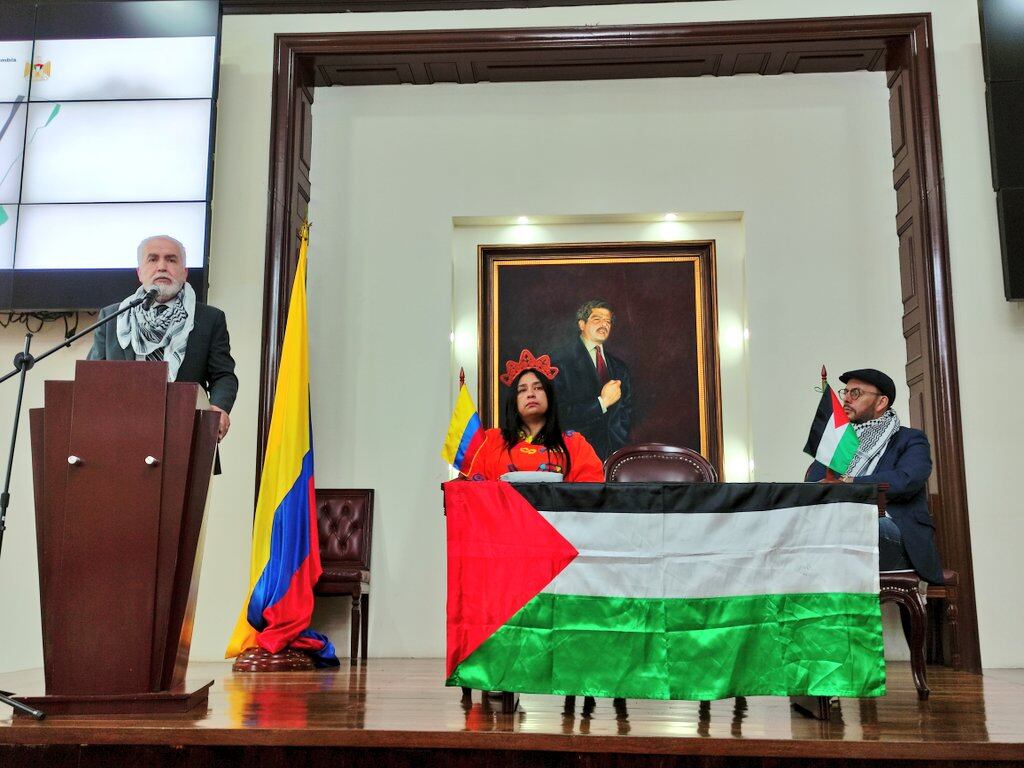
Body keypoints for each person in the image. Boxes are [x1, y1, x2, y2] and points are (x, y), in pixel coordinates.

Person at [88, 234, 238, 441]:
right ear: (140, 273)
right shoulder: (113, 317)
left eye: (171, 259)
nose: (162, 266)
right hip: (119, 436)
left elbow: (223, 375)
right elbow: (93, 376)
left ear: (184, 273)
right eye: (153, 259)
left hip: (185, 435)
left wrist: (219, 408)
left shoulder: (209, 319)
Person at [806, 368, 943, 584]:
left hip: (894, 531)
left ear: (881, 402)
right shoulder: (839, 443)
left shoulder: (910, 439)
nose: (847, 399)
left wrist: (851, 483)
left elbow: (907, 479)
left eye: (856, 393)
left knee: (856, 527)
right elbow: (814, 485)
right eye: (846, 392)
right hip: (838, 526)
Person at [464, 349, 604, 482]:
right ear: (514, 401)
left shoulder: (574, 444)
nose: (531, 394)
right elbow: (472, 489)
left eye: (538, 388)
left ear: (549, 396)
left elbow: (590, 490)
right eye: (522, 390)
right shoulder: (491, 441)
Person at [551, 299, 632, 460]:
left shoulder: (619, 367)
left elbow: (627, 412)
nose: (604, 325)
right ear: (582, 324)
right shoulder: (560, 362)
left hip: (615, 453)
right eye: (597, 319)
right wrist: (601, 403)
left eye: (608, 321)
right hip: (576, 454)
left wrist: (620, 436)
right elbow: (558, 413)